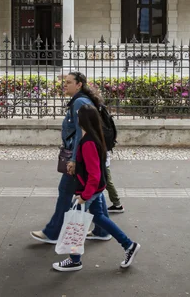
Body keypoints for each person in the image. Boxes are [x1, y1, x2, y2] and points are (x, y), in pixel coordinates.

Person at [52, 104, 140, 272]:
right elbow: (93, 169)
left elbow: (94, 174)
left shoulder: (88, 143)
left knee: (76, 223)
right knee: (99, 217)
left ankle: (75, 260)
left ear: (82, 120)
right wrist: (76, 166)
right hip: (95, 189)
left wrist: (84, 196)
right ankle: (129, 245)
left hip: (89, 190)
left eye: (78, 116)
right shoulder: (94, 138)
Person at [30, 72, 110, 244]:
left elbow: (80, 135)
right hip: (87, 155)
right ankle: (102, 231)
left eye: (68, 82)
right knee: (95, 193)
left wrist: (73, 160)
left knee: (65, 192)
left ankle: (53, 232)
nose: (64, 85)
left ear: (79, 84)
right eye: (64, 82)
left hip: (80, 157)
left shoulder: (80, 102)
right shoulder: (82, 100)